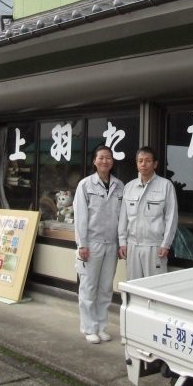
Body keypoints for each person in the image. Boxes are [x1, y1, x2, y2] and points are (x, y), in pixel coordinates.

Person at [73, 146, 124, 344]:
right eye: (101, 158)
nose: (105, 161)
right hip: (91, 244)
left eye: (108, 158)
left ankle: (101, 326)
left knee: (105, 288)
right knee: (88, 287)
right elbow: (80, 218)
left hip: (111, 243)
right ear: (94, 161)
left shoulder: (120, 186)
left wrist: (121, 242)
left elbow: (123, 218)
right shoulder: (85, 185)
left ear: (112, 161)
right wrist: (82, 244)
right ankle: (89, 328)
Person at [118, 146, 178, 280]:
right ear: (136, 163)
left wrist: (166, 244)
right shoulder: (129, 187)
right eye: (140, 161)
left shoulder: (165, 186)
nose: (143, 164)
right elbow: (123, 218)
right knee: (133, 286)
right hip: (132, 245)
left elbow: (171, 217)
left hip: (155, 246)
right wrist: (122, 242)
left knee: (155, 287)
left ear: (155, 164)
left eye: (147, 161)